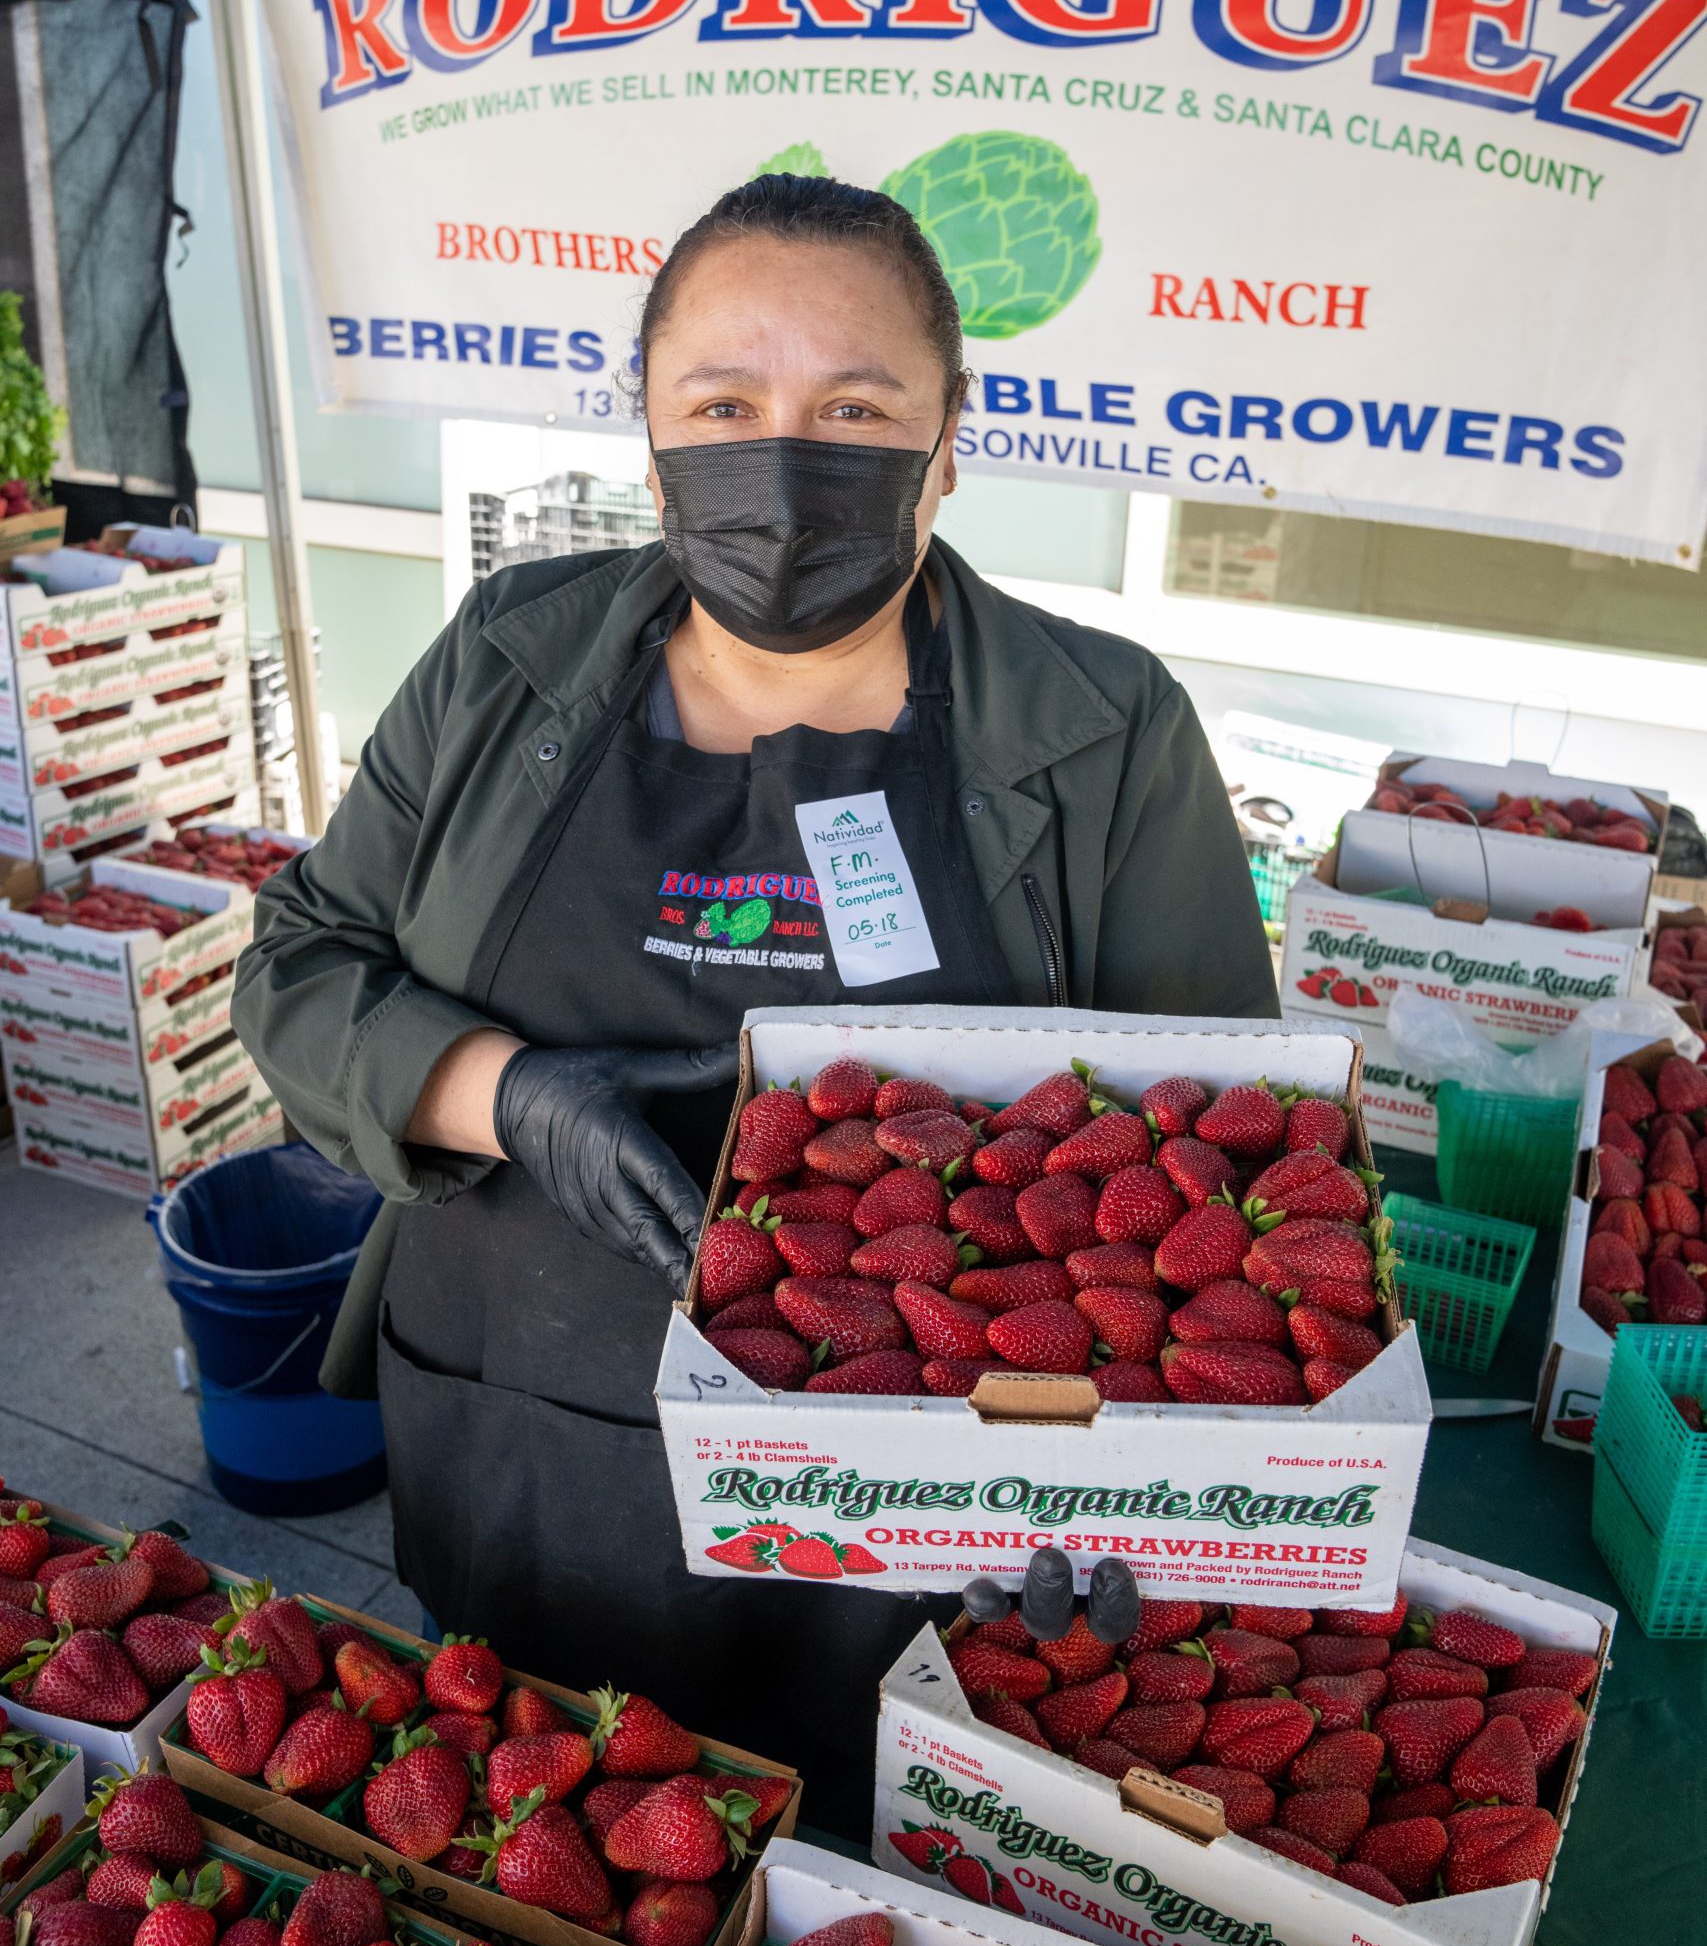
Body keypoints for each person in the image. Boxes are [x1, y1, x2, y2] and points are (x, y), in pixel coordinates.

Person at [232, 171, 1278, 1835]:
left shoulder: (1104, 731)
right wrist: (502, 1095)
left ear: (950, 440)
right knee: (542, 1873)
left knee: (844, 1928)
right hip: (524, 1452)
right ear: (650, 440)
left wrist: (1143, 1483)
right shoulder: (509, 658)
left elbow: (1213, 1161)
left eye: (855, 408)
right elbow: (299, 967)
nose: (786, 459)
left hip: (918, 1529)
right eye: (725, 403)